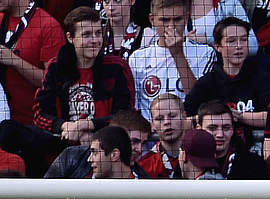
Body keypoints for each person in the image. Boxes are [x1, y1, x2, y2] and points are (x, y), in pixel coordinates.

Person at [34, 8, 135, 144]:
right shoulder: (56, 67)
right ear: (70, 37)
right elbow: (40, 114)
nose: (94, 40)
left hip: (108, 148)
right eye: (86, 35)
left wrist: (89, 125)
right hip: (62, 147)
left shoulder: (117, 67)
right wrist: (65, 126)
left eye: (98, 33)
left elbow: (126, 116)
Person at [184, 17, 270, 136]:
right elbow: (182, 122)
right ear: (217, 46)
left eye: (243, 40)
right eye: (231, 41)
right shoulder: (206, 83)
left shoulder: (261, 77)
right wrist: (211, 118)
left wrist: (238, 116)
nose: (239, 46)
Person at [128, 0, 215, 117]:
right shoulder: (138, 58)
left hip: (189, 128)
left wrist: (178, 53)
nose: (171, 26)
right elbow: (134, 106)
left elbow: (199, 101)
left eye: (177, 19)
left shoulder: (205, 53)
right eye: (164, 20)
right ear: (152, 20)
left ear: (186, 18)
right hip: (151, 130)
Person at [0, 0, 64, 126]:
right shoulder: (1, 19)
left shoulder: (48, 25)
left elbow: (55, 83)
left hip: (33, 127)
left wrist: (15, 61)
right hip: (3, 120)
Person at [195, 99, 268, 177]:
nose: (220, 134)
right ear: (199, 129)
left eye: (226, 128)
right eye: (212, 128)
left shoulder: (253, 164)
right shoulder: (188, 161)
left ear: (232, 129)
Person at [139, 92, 188, 177]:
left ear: (184, 117)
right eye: (159, 119)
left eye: (172, 116)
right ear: (153, 124)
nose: (166, 122)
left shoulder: (199, 158)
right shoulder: (144, 165)